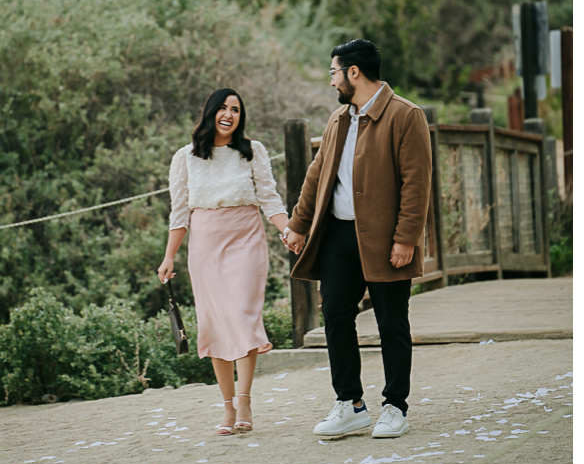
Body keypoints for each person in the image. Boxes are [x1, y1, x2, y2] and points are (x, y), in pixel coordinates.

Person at [283, 39, 432, 440]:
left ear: (353, 72)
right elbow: (317, 175)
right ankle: (350, 404)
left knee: (391, 323)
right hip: (338, 235)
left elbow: (417, 184)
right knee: (334, 315)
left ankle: (395, 406)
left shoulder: (406, 115)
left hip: (386, 239)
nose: (331, 80)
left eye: (333, 72)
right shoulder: (338, 120)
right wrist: (298, 224)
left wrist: (406, 238)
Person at [157, 88, 289, 435]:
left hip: (246, 237)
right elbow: (180, 212)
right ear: (211, 112)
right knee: (213, 323)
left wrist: (288, 231)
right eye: (224, 108)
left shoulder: (252, 151)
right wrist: (169, 256)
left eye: (236, 109)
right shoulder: (185, 157)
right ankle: (228, 408)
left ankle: (245, 399)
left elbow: (269, 197)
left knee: (242, 316)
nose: (229, 114)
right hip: (205, 244)